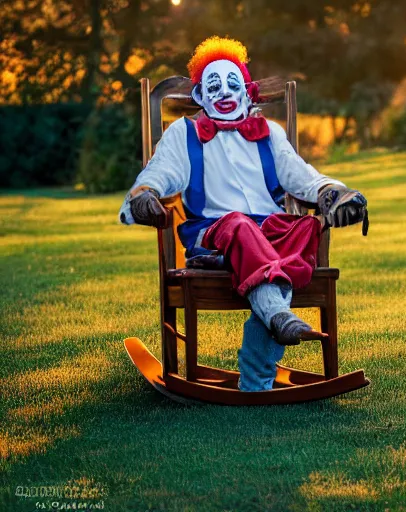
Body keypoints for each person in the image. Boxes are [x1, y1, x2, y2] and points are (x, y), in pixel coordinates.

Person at [118, 36, 368, 391]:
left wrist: (332, 193)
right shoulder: (183, 133)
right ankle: (276, 313)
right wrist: (146, 194)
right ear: (201, 97)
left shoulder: (270, 135)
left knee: (305, 227)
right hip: (215, 232)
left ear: (247, 94)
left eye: (233, 84)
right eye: (213, 86)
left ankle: (255, 376)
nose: (224, 92)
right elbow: (160, 172)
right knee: (240, 224)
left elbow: (302, 175)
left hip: (271, 233)